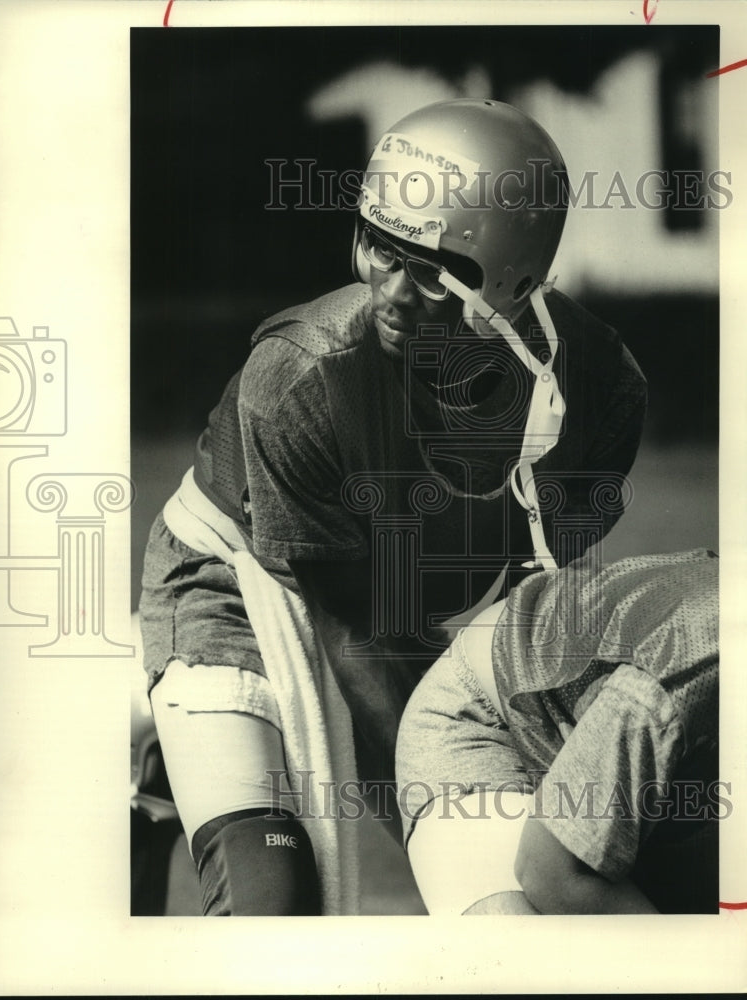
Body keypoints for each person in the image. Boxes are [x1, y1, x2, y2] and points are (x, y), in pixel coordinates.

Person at [138, 98, 647, 915]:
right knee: (273, 903)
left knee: (546, 881)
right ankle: (171, 742)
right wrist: (444, 819)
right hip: (238, 591)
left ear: (516, 278)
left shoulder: (601, 389)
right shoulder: (302, 373)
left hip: (408, 615)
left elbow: (540, 604)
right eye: (381, 246)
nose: (393, 291)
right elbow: (357, 638)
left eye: (438, 271)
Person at [395, 548, 720, 915]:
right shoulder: (687, 676)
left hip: (622, 734)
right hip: (491, 719)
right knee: (526, 962)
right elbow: (550, 872)